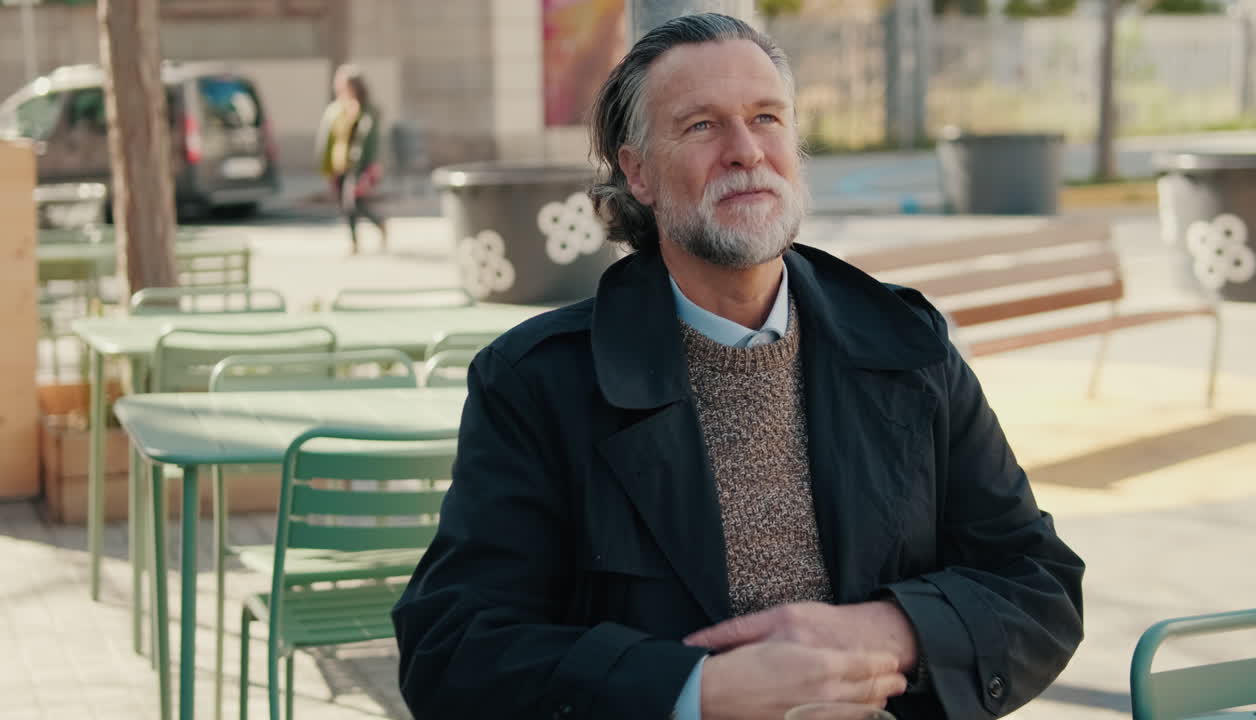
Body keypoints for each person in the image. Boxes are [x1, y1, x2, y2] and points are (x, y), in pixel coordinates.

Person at [393, 13, 1083, 720]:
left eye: (766, 117)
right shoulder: (536, 382)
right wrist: (697, 692)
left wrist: (889, 629)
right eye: (701, 126)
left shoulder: (907, 345)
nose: (746, 151)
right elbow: (452, 651)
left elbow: (1039, 585)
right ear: (637, 173)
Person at [315, 63, 387, 253]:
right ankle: (372, 228)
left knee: (352, 203)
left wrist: (369, 169)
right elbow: (327, 138)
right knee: (347, 205)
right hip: (338, 163)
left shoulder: (366, 110)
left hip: (358, 165)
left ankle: (358, 241)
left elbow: (369, 141)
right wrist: (325, 166)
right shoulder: (336, 109)